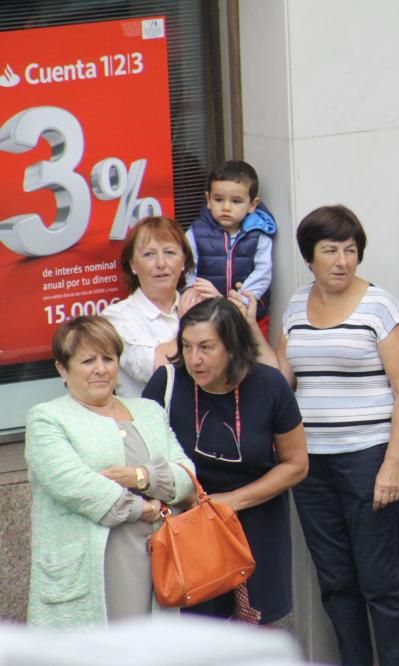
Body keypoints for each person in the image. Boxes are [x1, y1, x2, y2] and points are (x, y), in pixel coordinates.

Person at [278, 205, 399, 665]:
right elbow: (283, 383)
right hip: (310, 467)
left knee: (380, 584)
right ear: (309, 257)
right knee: (336, 584)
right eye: (330, 250)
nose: (342, 260)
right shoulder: (296, 306)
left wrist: (392, 464)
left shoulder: (380, 306)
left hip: (369, 461)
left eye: (350, 250)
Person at [143, 297, 308, 624]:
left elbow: (296, 464)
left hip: (255, 521)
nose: (195, 359)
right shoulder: (167, 383)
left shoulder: (269, 385)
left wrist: (230, 502)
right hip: (187, 528)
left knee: (255, 635)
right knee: (199, 635)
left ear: (231, 347)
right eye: (187, 347)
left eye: (206, 347)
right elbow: (143, 454)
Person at [24, 316, 195, 627]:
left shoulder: (149, 411)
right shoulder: (47, 418)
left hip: (157, 564)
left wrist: (141, 477)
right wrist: (145, 507)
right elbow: (77, 488)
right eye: (88, 360)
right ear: (62, 368)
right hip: (91, 568)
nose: (101, 369)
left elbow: (187, 476)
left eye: (108, 358)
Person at [103, 216, 219, 397]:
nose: (161, 264)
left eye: (170, 253)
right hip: (150, 422)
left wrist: (224, 313)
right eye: (149, 254)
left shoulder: (202, 305)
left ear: (183, 262)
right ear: (133, 265)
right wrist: (189, 323)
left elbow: (231, 367)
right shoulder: (116, 317)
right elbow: (157, 370)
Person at [185, 160, 277, 337]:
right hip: (208, 318)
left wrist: (240, 300)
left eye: (236, 201)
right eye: (219, 199)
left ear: (252, 205)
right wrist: (195, 295)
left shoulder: (259, 234)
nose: (226, 207)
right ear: (208, 200)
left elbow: (263, 272)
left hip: (250, 316)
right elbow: (188, 271)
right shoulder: (196, 234)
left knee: (252, 361)